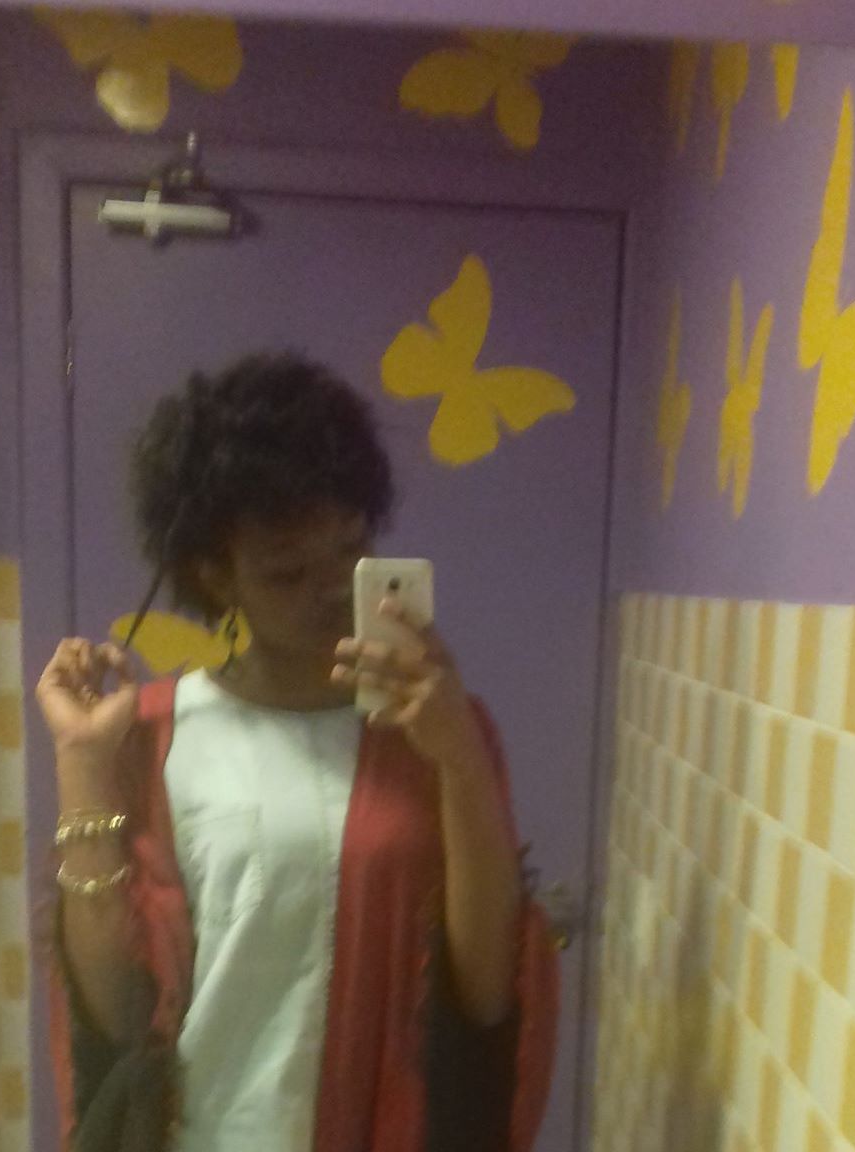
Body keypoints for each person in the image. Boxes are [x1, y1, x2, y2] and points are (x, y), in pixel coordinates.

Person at [35, 352, 559, 1152]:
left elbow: (487, 993)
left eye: (351, 550)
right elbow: (111, 1016)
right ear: (215, 575)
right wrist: (81, 763)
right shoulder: (155, 733)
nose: (333, 589)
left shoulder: (441, 727)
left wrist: (458, 756)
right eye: (288, 572)